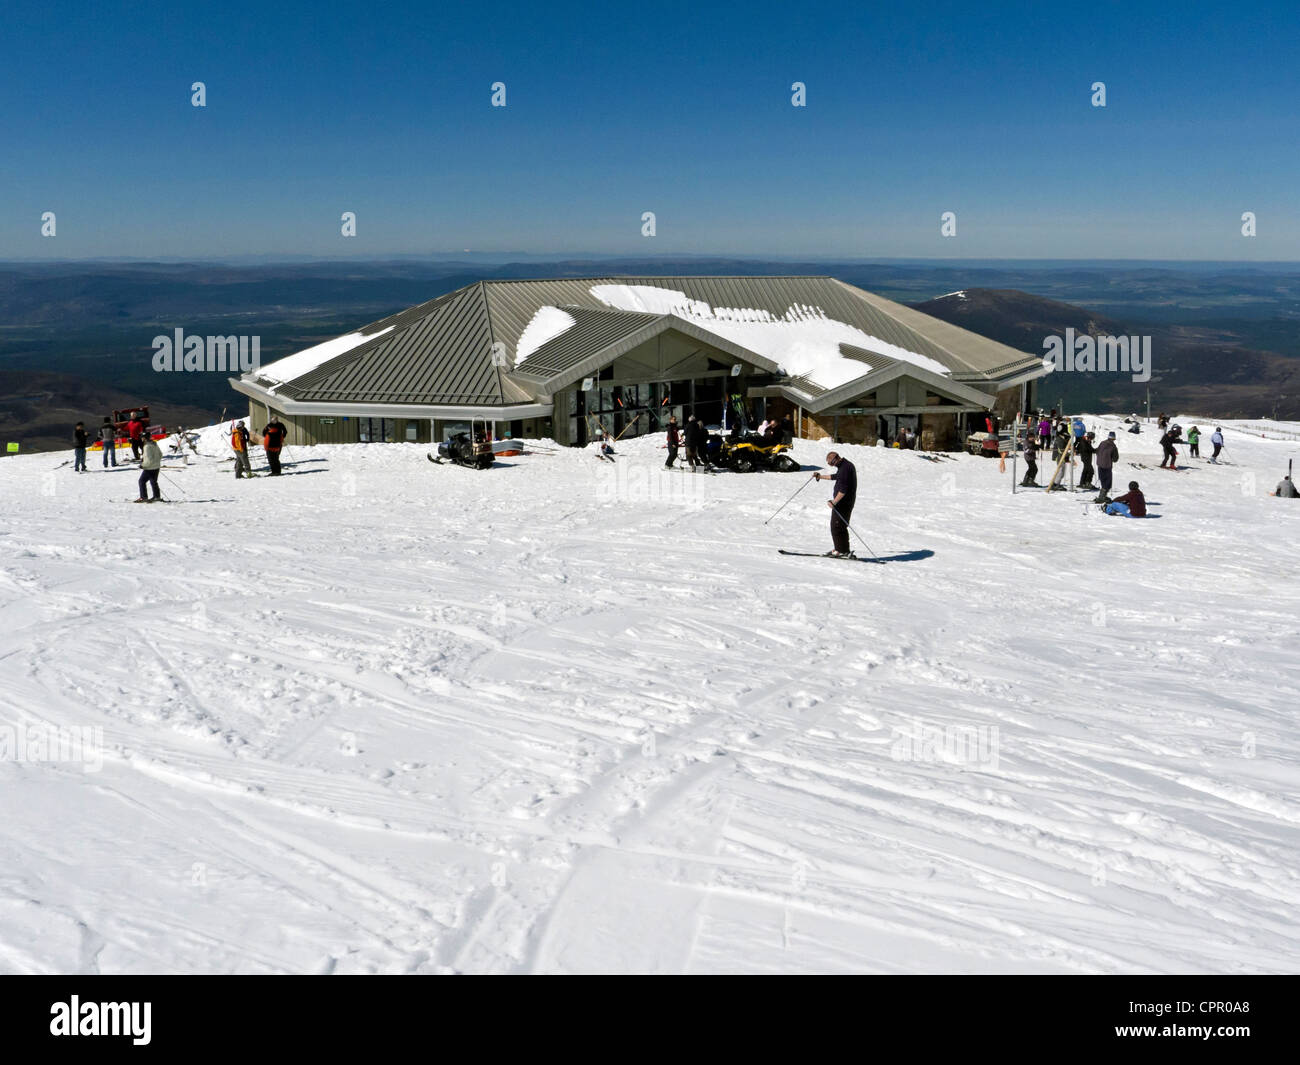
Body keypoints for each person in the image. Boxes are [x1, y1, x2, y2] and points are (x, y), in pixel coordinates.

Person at [813, 451, 857, 556]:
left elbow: (843, 490)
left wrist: (834, 502)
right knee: (840, 526)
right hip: (844, 502)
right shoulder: (845, 466)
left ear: (835, 459)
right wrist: (820, 476)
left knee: (837, 526)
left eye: (831, 463)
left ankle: (841, 551)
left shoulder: (845, 469)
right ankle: (843, 550)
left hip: (843, 503)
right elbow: (836, 476)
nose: (831, 465)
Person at [135, 435, 163, 502]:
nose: (141, 439)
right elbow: (160, 454)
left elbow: (148, 459)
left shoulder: (147, 446)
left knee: (141, 481)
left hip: (149, 468)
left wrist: (143, 465)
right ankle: (157, 497)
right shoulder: (154, 443)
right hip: (156, 466)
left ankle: (143, 497)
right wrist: (156, 462)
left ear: (144, 438)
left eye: (142, 437)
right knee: (153, 482)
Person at [1094, 431, 1119, 502]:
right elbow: (1115, 459)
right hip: (1107, 466)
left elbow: (1097, 451)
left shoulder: (1102, 443)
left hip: (1099, 465)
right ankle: (1102, 497)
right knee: (1107, 482)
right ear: (1114, 438)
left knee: (1102, 480)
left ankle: (1102, 496)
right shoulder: (1113, 446)